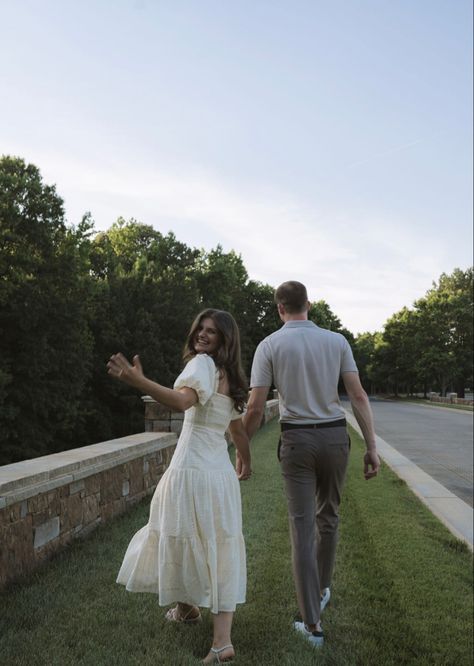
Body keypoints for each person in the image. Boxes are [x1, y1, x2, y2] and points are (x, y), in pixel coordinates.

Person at [108, 309, 251, 664]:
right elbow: (236, 429)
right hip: (218, 478)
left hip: (190, 472)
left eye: (212, 332)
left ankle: (221, 646)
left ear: (224, 340)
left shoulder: (202, 364)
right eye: (200, 329)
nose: (203, 336)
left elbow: (183, 401)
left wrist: (137, 381)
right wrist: (246, 459)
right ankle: (197, 619)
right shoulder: (231, 376)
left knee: (180, 534)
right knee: (216, 546)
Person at [241, 281, 380, 648]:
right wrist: (372, 448)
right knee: (328, 517)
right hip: (335, 437)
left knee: (302, 529)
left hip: (297, 440)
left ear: (279, 309)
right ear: (309, 304)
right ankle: (319, 592)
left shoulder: (270, 344)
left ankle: (312, 625)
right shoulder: (337, 342)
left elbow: (256, 407)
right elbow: (358, 395)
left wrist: (243, 450)